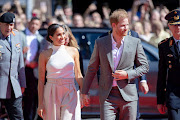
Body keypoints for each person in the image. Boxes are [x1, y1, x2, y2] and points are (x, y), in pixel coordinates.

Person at [82, 8, 149, 120]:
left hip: (129, 95)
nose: (126, 28)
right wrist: (85, 91)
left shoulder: (134, 42)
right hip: (108, 95)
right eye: (123, 25)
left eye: (127, 24)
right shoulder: (101, 42)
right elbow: (92, 68)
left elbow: (144, 66)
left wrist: (127, 74)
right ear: (114, 25)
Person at [100, 29, 149, 120]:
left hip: (129, 85)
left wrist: (143, 80)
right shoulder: (104, 38)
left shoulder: (133, 35)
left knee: (132, 116)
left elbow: (140, 62)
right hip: (110, 89)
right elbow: (100, 65)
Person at [37, 24, 83, 119]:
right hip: (51, 90)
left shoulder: (74, 51)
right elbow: (41, 81)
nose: (62, 37)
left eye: (63, 34)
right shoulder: (44, 55)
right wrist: (40, 104)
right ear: (51, 37)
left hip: (70, 89)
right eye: (58, 35)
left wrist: (84, 93)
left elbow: (78, 75)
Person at [0, 12, 26, 119]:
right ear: (0, 24)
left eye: (11, 25)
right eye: (6, 24)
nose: (9, 27)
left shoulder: (17, 36)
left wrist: (23, 83)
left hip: (14, 85)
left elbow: (20, 61)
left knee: (18, 116)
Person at [156, 9, 180, 120]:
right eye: (174, 25)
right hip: (173, 96)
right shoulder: (164, 46)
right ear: (169, 26)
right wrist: (160, 100)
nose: (178, 28)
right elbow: (161, 74)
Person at [22, 17, 44, 120]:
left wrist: (36, 64)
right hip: (22, 69)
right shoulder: (20, 35)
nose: (34, 26)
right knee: (25, 98)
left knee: (34, 97)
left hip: (34, 71)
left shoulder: (40, 38)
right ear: (28, 23)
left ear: (39, 26)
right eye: (32, 23)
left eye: (36, 24)